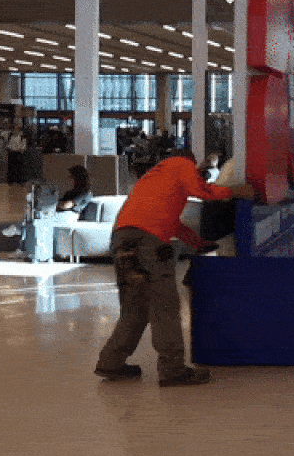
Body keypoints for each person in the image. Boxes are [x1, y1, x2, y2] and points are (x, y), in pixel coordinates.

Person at [94, 151, 256, 387]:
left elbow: (172, 223)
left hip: (122, 241)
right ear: (191, 161)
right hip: (148, 243)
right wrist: (235, 191)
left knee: (134, 308)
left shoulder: (154, 177)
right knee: (165, 307)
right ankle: (172, 369)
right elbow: (202, 191)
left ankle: (110, 362)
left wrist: (197, 243)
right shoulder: (181, 164)